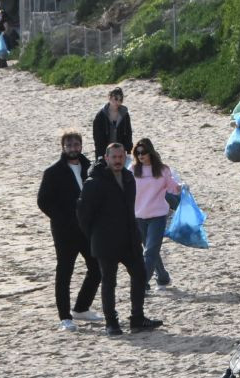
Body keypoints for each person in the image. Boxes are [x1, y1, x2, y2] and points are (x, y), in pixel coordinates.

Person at [76, 142, 163, 336]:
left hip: (129, 238)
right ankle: (111, 322)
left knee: (140, 275)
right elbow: (83, 216)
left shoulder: (129, 177)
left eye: (121, 157)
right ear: (106, 158)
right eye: (114, 157)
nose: (117, 161)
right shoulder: (94, 182)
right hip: (105, 241)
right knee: (109, 281)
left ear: (125, 157)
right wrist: (95, 236)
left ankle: (137, 318)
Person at [36, 131, 101, 332]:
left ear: (81, 146)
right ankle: (65, 317)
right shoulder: (53, 172)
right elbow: (43, 201)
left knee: (97, 268)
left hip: (87, 229)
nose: (73, 148)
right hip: (64, 231)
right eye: (69, 145)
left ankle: (81, 308)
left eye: (76, 145)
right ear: (63, 147)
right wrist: (64, 218)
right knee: (65, 272)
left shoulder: (91, 168)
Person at [131, 138, 180, 289]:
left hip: (158, 216)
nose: (140, 155)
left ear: (150, 152)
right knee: (150, 250)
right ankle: (163, 277)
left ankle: (141, 282)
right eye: (137, 152)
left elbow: (173, 188)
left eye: (143, 152)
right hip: (139, 216)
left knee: (151, 250)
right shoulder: (133, 170)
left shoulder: (162, 170)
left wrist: (182, 188)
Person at [92, 87, 132, 154]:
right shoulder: (100, 115)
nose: (118, 102)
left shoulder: (125, 114)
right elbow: (97, 137)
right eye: (116, 99)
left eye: (120, 100)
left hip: (121, 151)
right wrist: (100, 154)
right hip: (105, 152)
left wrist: (128, 150)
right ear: (109, 97)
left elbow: (128, 134)